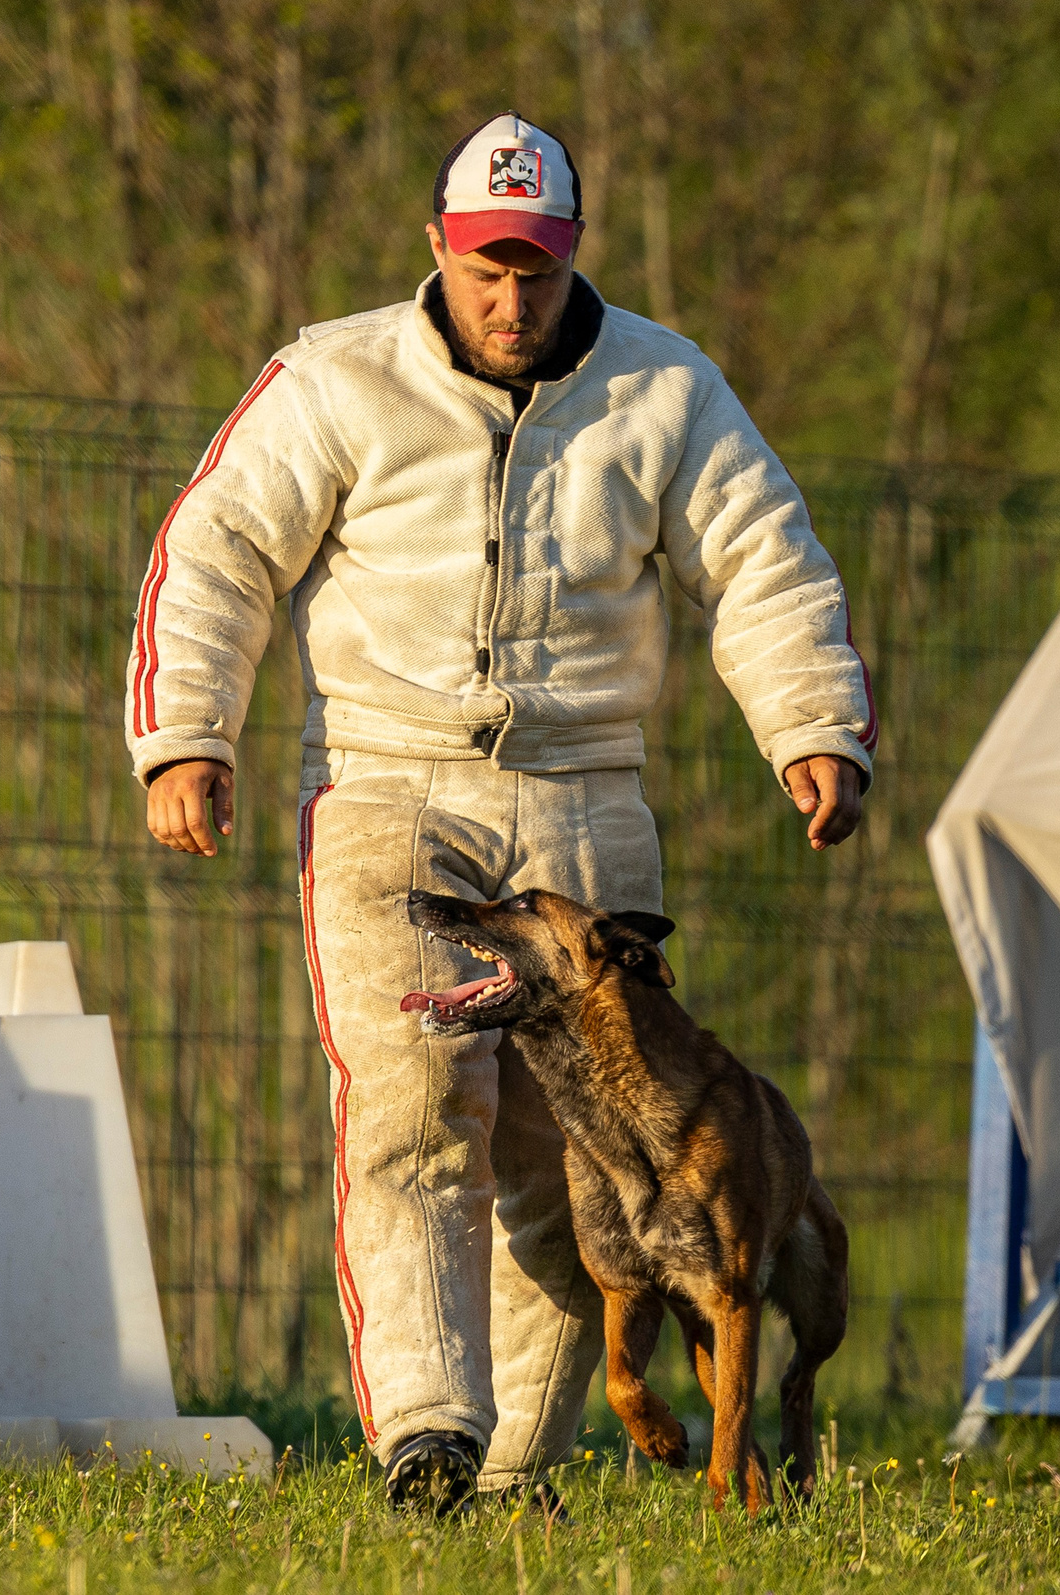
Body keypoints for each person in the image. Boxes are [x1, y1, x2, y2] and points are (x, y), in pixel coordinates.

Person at [125, 112, 874, 1517]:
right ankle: (429, 1437)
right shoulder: (334, 379)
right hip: (387, 780)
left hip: (589, 796)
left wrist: (814, 726)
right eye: (485, 270)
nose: (511, 300)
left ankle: (518, 1467)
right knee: (413, 1110)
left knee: (586, 1156)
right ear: (437, 249)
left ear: (575, 252)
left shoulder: (666, 387)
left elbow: (765, 560)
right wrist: (186, 734)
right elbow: (217, 544)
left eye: (536, 270)